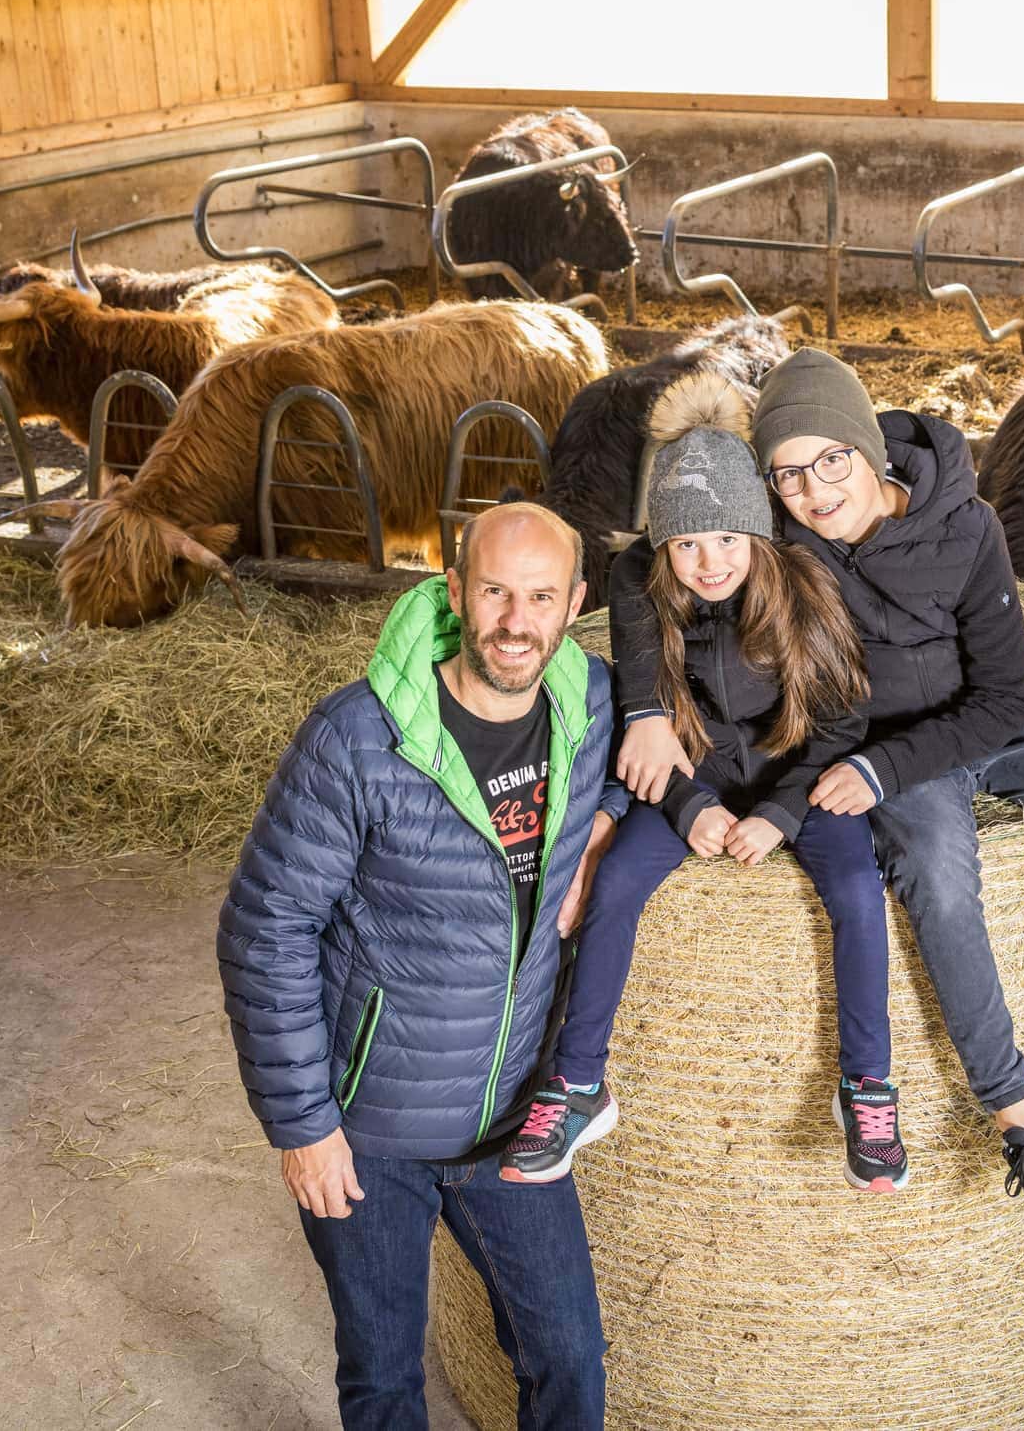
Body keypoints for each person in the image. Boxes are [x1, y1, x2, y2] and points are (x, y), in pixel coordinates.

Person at [628, 347, 1024, 1256]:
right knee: (941, 877)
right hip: (875, 749)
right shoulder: (778, 537)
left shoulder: (968, 526)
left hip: (990, 724)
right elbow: (644, 567)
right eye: (786, 474)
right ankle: (1019, 1118)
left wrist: (882, 772)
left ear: (867, 450)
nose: (811, 490)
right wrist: (646, 706)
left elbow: (1004, 695)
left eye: (829, 460)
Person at [217, 503, 626, 1431]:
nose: (515, 622)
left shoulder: (593, 702)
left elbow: (661, 764)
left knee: (569, 1355)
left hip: (516, 1124)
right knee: (383, 1375)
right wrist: (303, 1126)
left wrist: (604, 823)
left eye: (539, 596)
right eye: (493, 592)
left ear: (573, 605)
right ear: (452, 591)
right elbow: (264, 928)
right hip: (368, 1135)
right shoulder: (358, 739)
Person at [502, 370, 907, 1192]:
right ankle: (578, 1081)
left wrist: (783, 816)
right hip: (691, 778)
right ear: (662, 547)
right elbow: (640, 707)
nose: (708, 561)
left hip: (803, 775)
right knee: (613, 883)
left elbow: (842, 722)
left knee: (859, 895)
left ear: (758, 533)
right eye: (686, 543)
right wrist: (688, 806)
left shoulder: (803, 586)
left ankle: (866, 1083)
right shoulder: (647, 590)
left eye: (726, 540)